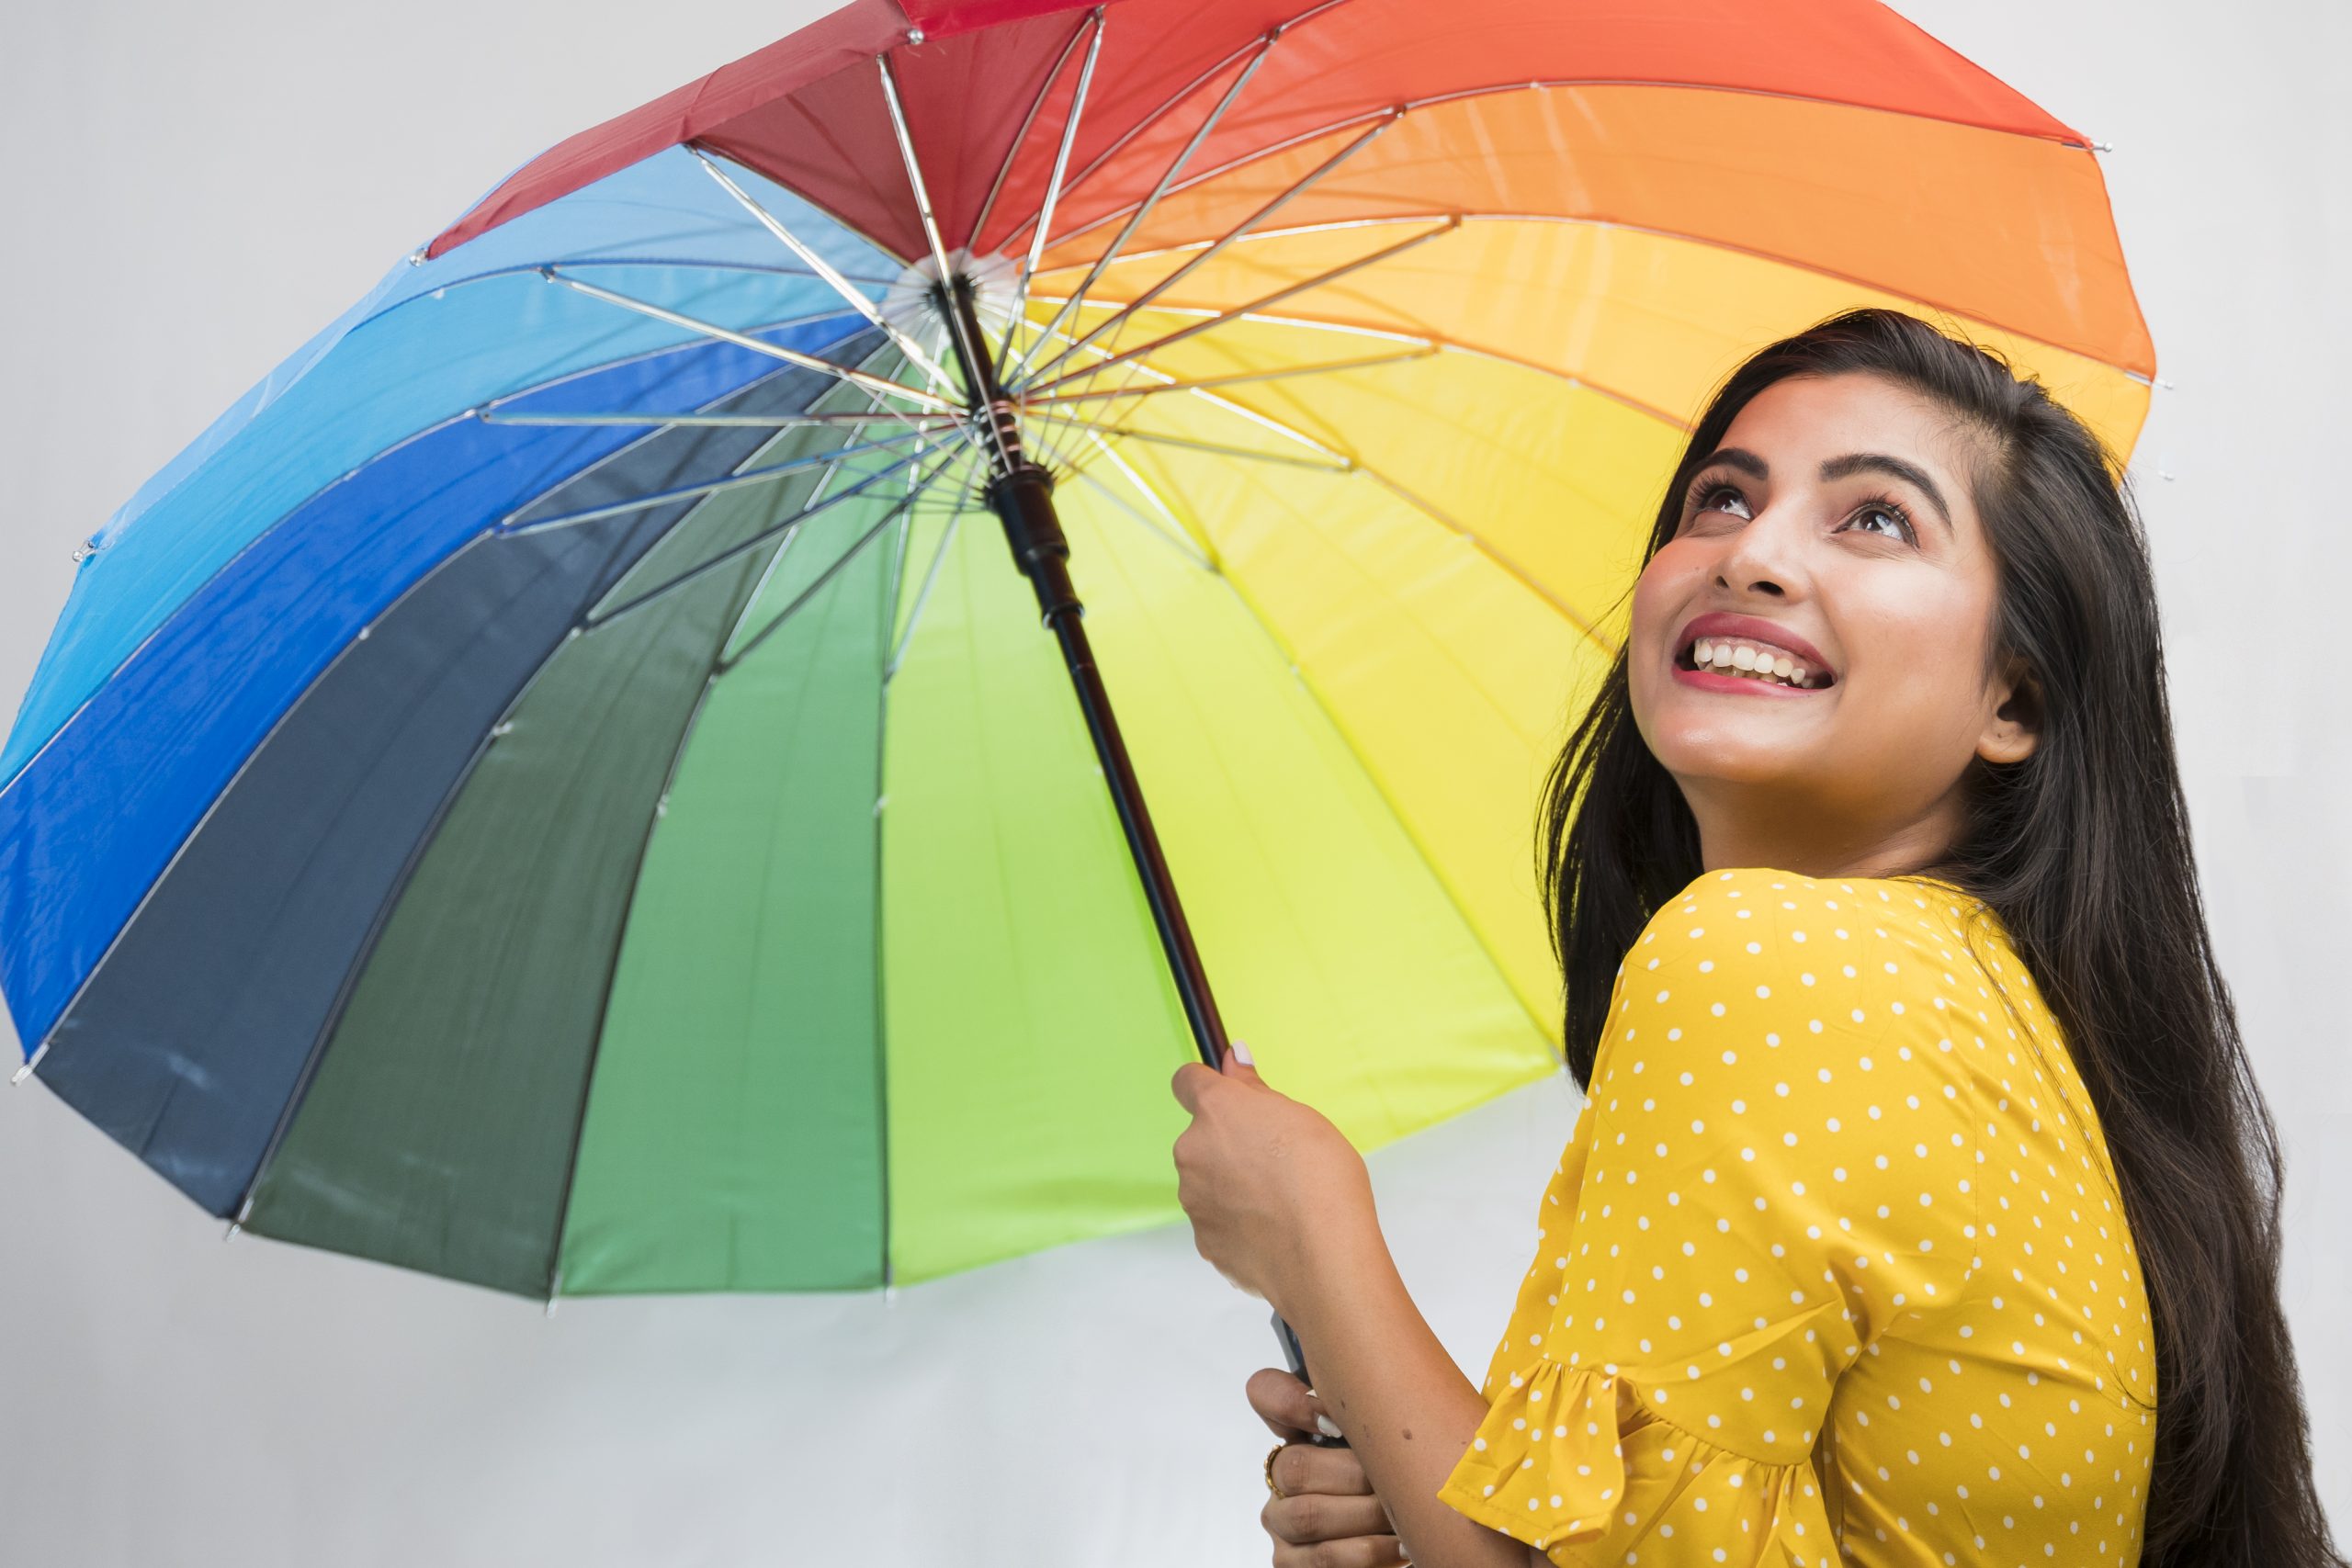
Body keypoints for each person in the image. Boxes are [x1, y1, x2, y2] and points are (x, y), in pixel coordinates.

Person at [1170, 308, 2345, 1568]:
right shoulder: (1995, 1014)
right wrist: (1418, 1512)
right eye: (1721, 500)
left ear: (2015, 697)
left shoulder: (1774, 964)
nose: (1751, 555)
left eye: (1875, 517)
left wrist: (1316, 1242)